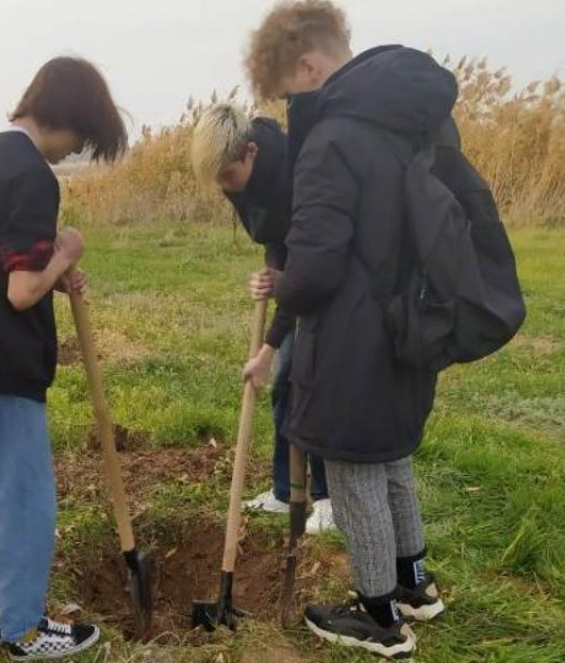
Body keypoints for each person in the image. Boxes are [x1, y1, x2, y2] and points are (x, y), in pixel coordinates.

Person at [245, 1, 452, 658]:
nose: (290, 109)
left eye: (287, 93)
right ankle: (414, 581)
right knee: (392, 455)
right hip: (409, 321)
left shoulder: (333, 138)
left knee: (356, 461)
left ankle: (379, 614)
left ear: (308, 65)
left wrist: (281, 283)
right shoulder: (414, 118)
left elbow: (317, 267)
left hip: (354, 334)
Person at [0, 57, 126, 660]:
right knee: (24, 501)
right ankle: (26, 632)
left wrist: (51, 274)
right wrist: (64, 255)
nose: (73, 152)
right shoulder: (32, 174)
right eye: (82, 138)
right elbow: (20, 291)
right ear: (65, 118)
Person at [191, 104, 335, 534]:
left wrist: (270, 345)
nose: (226, 188)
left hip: (331, 278)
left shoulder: (296, 173)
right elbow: (275, 237)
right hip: (298, 274)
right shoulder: (241, 180)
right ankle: (283, 490)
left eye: (228, 177)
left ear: (250, 152)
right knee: (285, 386)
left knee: (309, 381)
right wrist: (274, 277)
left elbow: (306, 262)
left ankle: (328, 497)